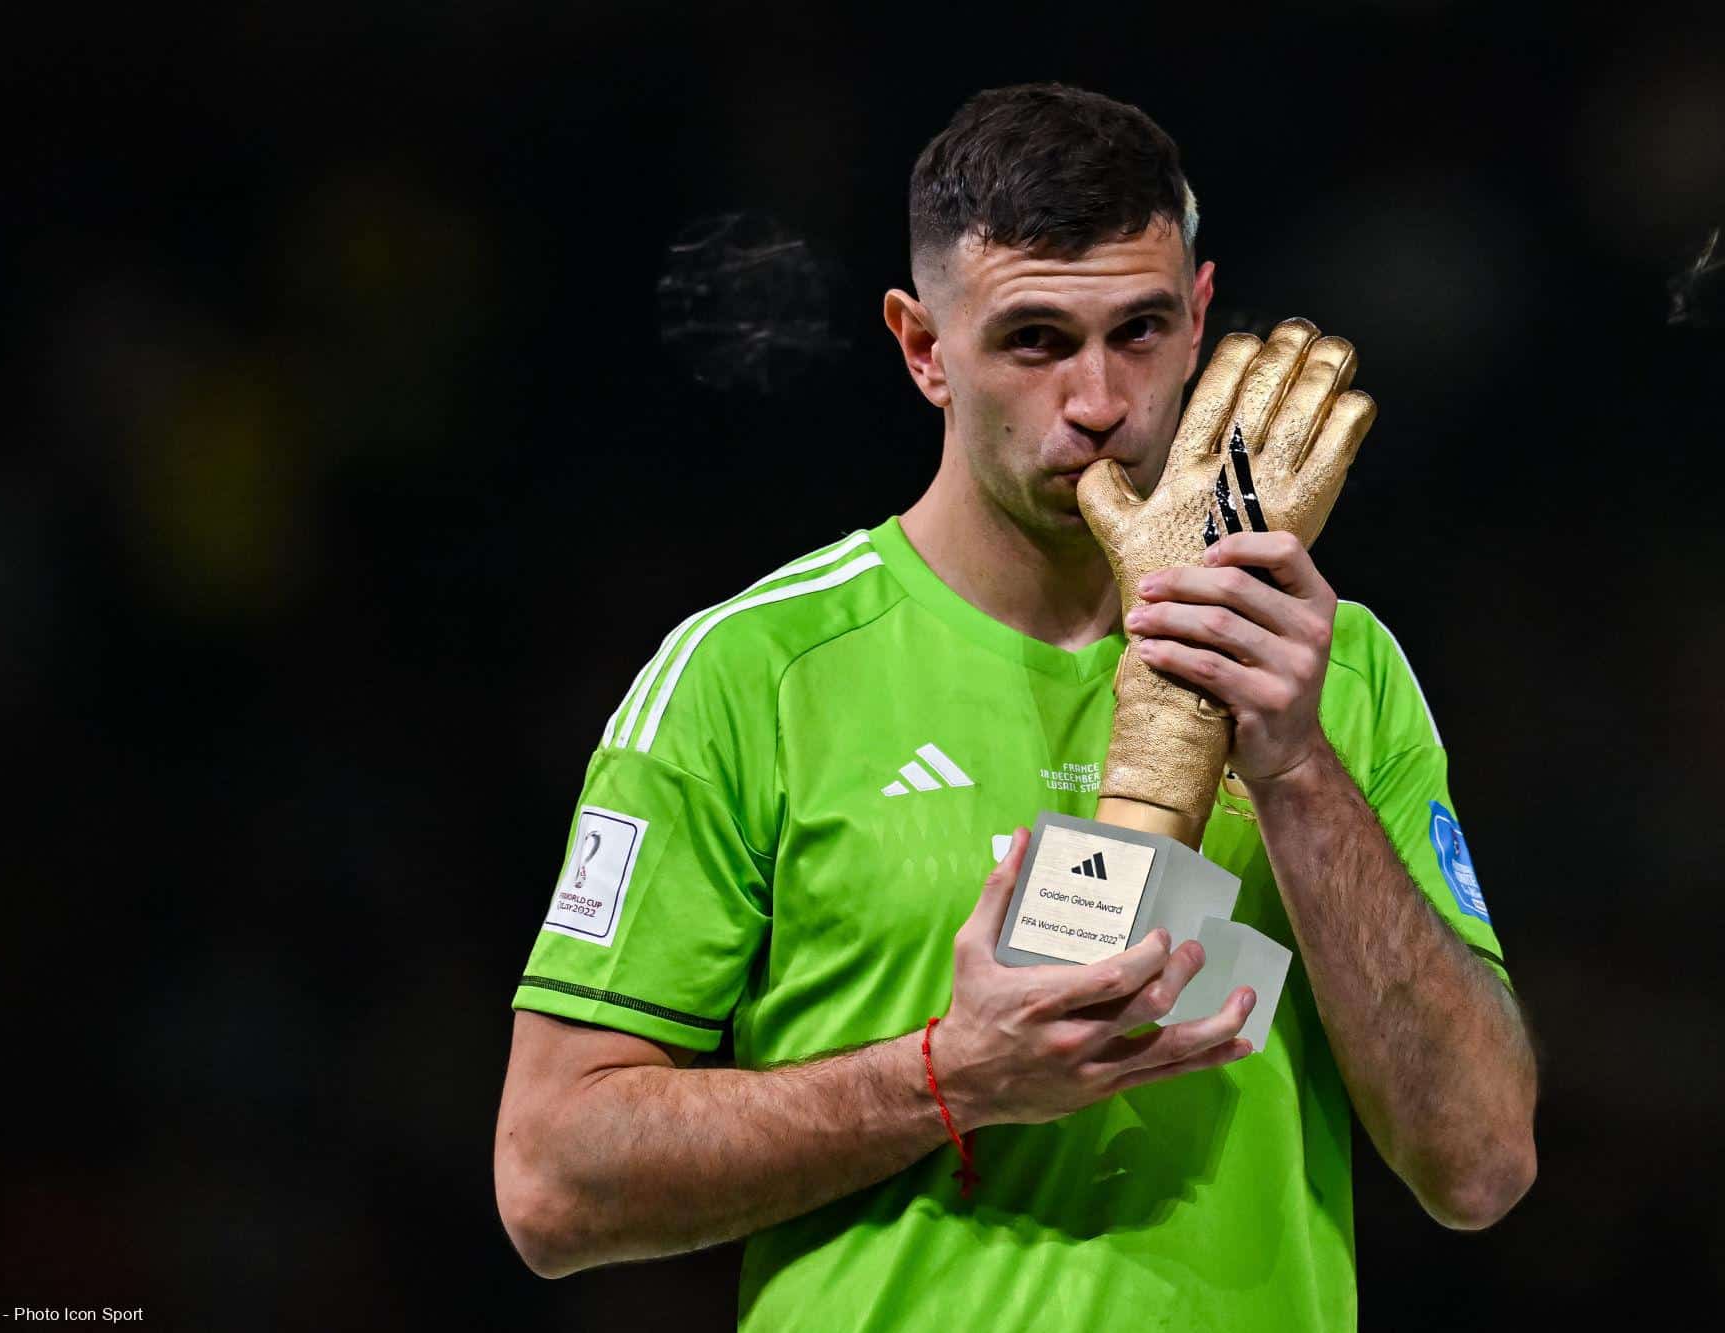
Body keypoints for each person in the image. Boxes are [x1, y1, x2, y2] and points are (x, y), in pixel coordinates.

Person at [493, 82, 1538, 1332]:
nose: (1098, 401)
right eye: (1035, 341)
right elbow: (551, 1183)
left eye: (1141, 331)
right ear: (923, 347)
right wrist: (946, 1078)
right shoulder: (752, 671)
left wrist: (1297, 768)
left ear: (1202, 317)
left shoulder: (1331, 669)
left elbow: (1478, 1165)